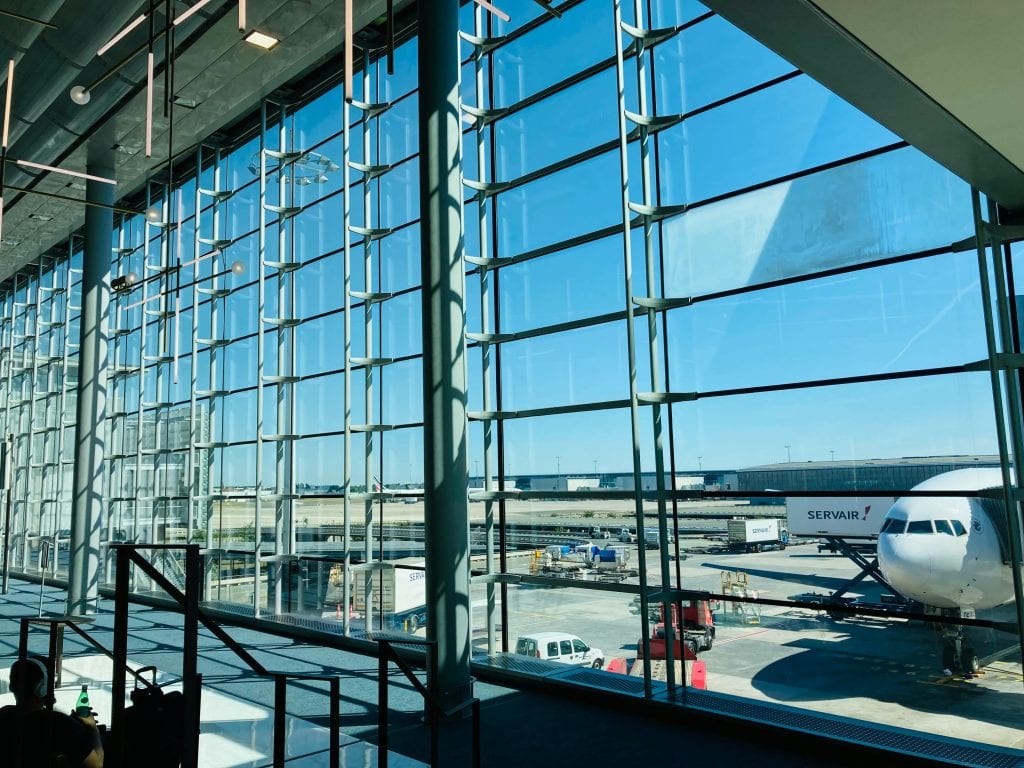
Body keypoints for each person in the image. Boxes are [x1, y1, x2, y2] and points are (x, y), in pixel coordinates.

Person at [0, 657, 104, 767]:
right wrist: (93, 728)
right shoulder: (59, 723)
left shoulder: (4, 714)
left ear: (12, 686)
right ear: (42, 688)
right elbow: (96, 764)